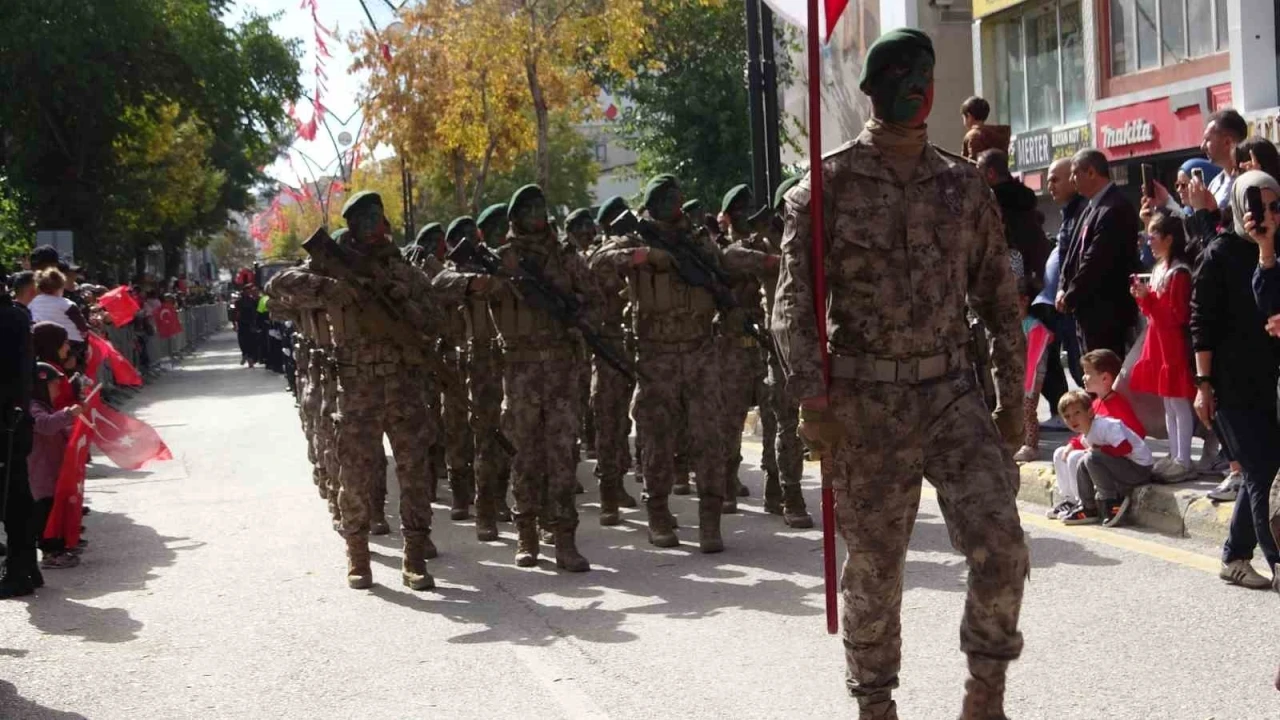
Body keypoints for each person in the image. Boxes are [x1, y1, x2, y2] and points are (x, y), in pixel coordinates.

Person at [772, 30, 1027, 720]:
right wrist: (812, 399)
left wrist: (1013, 399)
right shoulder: (824, 187)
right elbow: (793, 304)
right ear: (874, 89)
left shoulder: (963, 185)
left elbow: (998, 299)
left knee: (1002, 545)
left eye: (925, 76)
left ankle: (985, 694)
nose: (916, 88)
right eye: (901, 76)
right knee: (877, 569)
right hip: (866, 403)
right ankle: (875, 701)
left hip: (952, 394)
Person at [267, 191, 466, 591]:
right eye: (364, 220)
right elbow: (277, 287)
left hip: (403, 385)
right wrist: (327, 290)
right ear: (352, 227)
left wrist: (407, 303)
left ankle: (414, 554)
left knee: (414, 471)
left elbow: (438, 322)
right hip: (357, 387)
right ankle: (357, 554)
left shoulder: (402, 270)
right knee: (356, 473)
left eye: (377, 217)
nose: (373, 226)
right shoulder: (333, 267)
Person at [436, 185, 602, 572]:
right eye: (529, 209)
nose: (537, 215)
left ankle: (564, 539)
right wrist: (477, 284)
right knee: (525, 456)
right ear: (515, 219)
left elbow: (596, 299)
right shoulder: (501, 258)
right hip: (520, 373)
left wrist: (578, 320)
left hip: (561, 371)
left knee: (563, 454)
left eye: (541, 207)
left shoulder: (565, 257)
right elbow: (439, 284)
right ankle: (526, 534)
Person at [593, 174, 732, 554]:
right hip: (656, 356)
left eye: (676, 197)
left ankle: (710, 521)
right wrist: (643, 256)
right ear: (652, 206)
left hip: (700, 352)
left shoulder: (697, 240)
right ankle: (657, 513)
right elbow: (596, 263)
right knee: (656, 438)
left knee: (709, 438)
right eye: (665, 199)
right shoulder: (636, 238)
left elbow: (722, 276)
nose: (674, 205)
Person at [1191, 170, 1280, 591]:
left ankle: (1234, 556)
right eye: (1258, 206)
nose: (1267, 215)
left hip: (1270, 382)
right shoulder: (1220, 253)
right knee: (1261, 468)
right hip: (1230, 383)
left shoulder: (1275, 251)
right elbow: (1201, 324)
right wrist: (1203, 384)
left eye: (1275, 206)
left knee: (1263, 468)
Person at [715, 184, 781, 512]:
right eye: (738, 210)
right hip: (731, 348)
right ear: (727, 217)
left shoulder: (764, 243)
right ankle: (727, 480)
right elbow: (735, 262)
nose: (746, 215)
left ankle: (774, 484)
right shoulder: (721, 250)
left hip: (762, 344)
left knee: (771, 414)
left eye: (748, 208)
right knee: (731, 416)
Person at [1128, 211, 1197, 481]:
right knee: (1168, 403)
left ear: (1169, 239)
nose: (1149, 242)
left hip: (1172, 342)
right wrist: (1144, 298)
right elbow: (1154, 312)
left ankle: (1184, 459)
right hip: (1159, 340)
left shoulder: (1179, 272)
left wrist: (1150, 299)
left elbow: (1177, 315)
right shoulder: (1160, 269)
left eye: (1153, 236)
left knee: (1178, 402)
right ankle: (1175, 453)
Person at [584, 197, 640, 526]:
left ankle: (618, 482)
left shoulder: (634, 247)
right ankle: (608, 493)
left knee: (624, 421)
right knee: (608, 419)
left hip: (632, 343)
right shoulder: (603, 255)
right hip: (607, 344)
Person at [1058, 149, 1141, 356]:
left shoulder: (1115, 208)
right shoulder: (1090, 208)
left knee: (1105, 370)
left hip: (1106, 315)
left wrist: (1071, 296)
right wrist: (1062, 287)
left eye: (1075, 173)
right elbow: (1071, 254)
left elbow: (1096, 260)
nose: (1072, 180)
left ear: (1091, 172)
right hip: (1086, 313)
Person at [1033, 159, 1086, 429]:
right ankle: (1063, 411)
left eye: (1055, 179)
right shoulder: (1069, 214)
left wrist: (1068, 291)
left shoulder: (1083, 212)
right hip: (1054, 303)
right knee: (1050, 361)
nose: (1049, 186)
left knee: (1080, 365)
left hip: (1072, 304)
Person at [1057, 389, 1154, 527]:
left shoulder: (1106, 426)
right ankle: (1088, 507)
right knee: (1083, 461)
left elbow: (1125, 448)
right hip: (1124, 467)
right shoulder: (1086, 435)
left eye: (1077, 413)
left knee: (1091, 458)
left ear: (1090, 412)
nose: (1072, 419)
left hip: (1139, 469)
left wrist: (1099, 450)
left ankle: (1111, 500)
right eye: (1067, 416)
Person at [0, 274, 37, 598]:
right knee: (18, 499)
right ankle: (26, 567)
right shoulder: (16, 316)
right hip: (15, 420)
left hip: (7, 423)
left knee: (13, 502)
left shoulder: (10, 318)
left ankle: (19, 571)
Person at [977, 149, 1050, 289]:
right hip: (1035, 276)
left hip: (1008, 282)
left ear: (991, 173)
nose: (976, 175)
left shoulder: (991, 205)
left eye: (979, 169)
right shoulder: (1025, 205)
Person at [1014, 277, 1053, 463]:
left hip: (1031, 377)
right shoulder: (1012, 325)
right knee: (1017, 411)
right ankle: (1018, 443)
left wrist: (1033, 382)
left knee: (1028, 412)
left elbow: (1036, 358)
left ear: (1024, 300)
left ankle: (1031, 446)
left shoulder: (1034, 326)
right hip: (1016, 376)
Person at [27, 268, 88, 365]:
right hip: (71, 340)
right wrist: (84, 331)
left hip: (44, 340)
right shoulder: (66, 304)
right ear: (60, 288)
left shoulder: (33, 302)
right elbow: (80, 322)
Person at [960, 96, 1010, 162]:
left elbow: (972, 162)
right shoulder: (1002, 132)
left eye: (963, 117)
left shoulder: (973, 135)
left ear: (969, 116)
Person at [233, 285, 262, 368]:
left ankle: (248, 357)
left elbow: (256, 312)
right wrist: (234, 323)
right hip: (244, 324)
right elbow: (235, 313)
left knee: (248, 342)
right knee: (246, 342)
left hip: (249, 324)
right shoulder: (240, 302)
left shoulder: (251, 301)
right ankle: (247, 356)